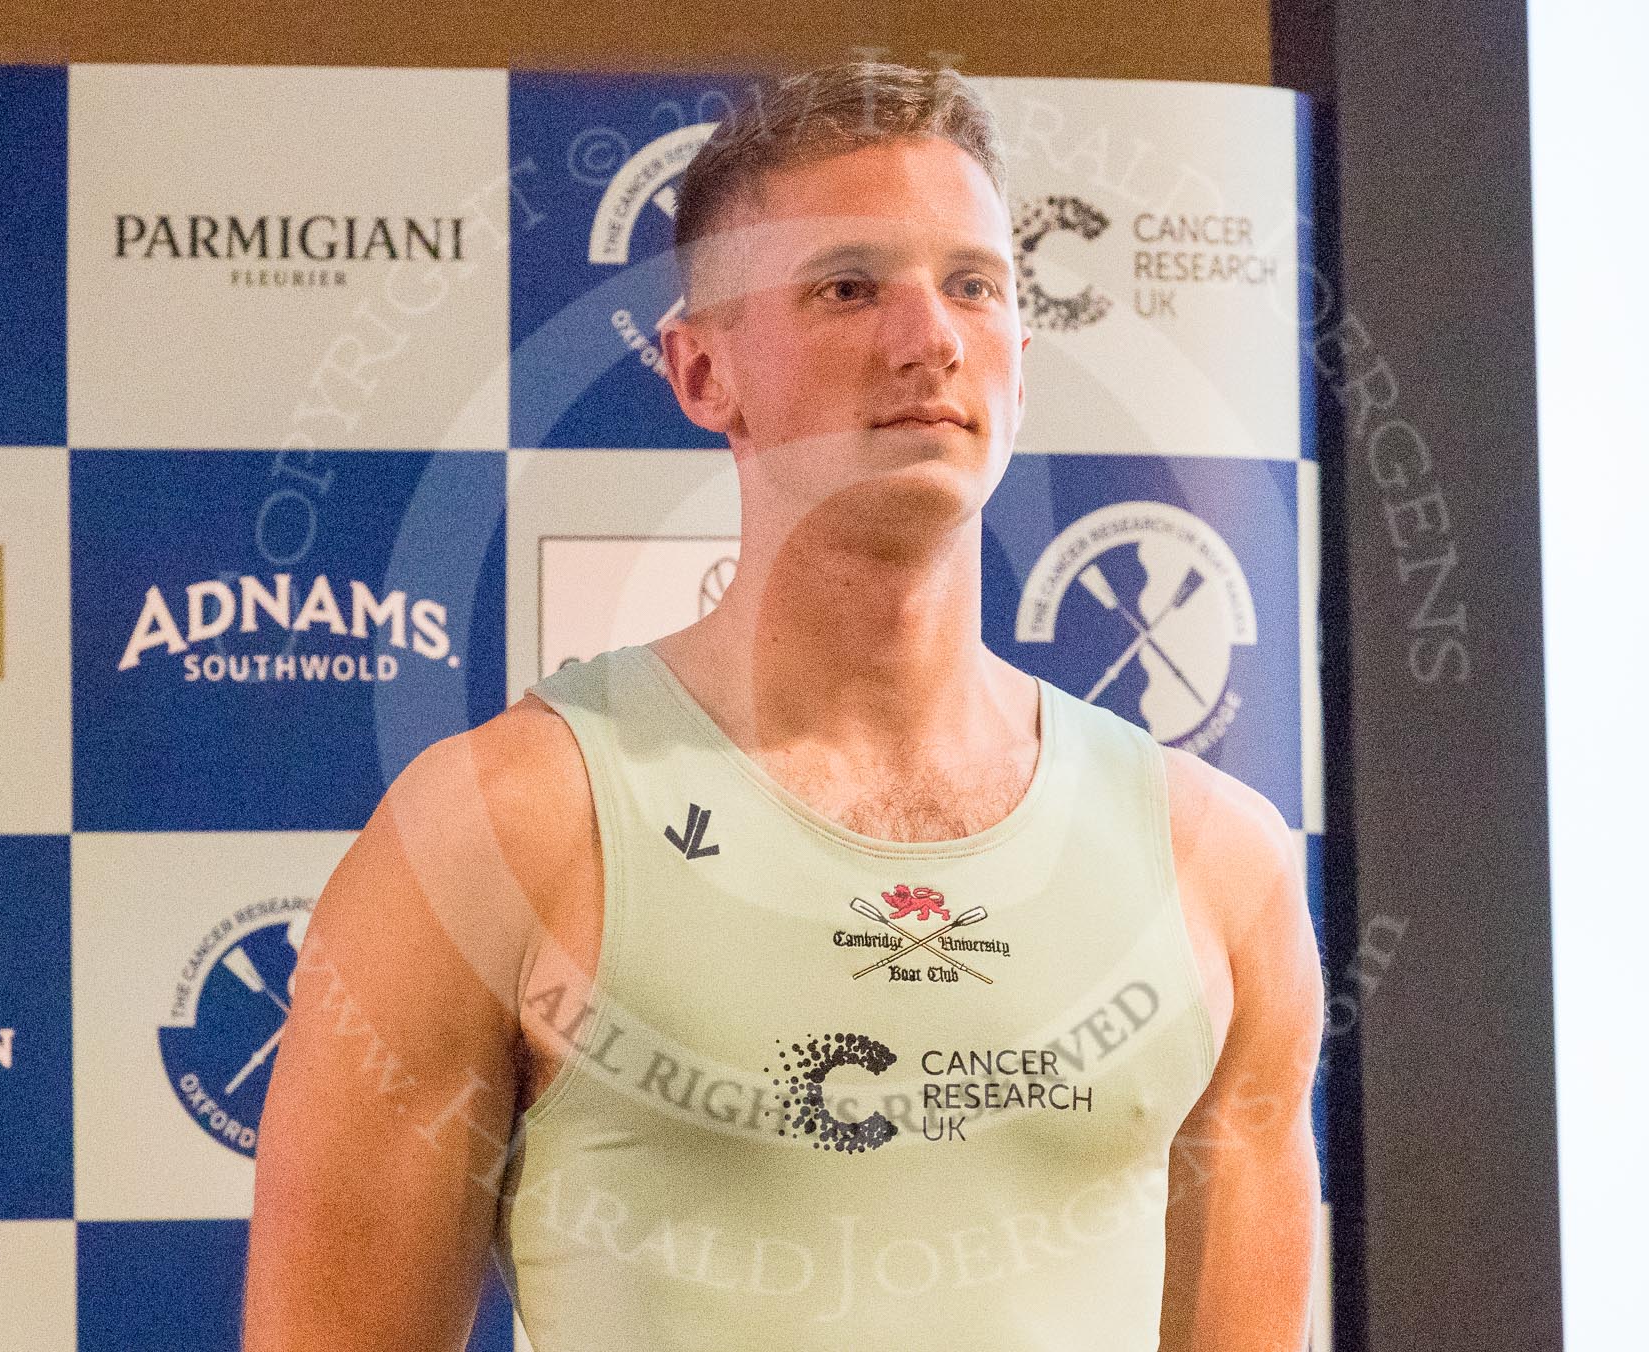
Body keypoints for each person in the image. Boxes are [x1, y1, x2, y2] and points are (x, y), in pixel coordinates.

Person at [244, 59, 1323, 1350]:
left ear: (1021, 363)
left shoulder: (1217, 857)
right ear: (704, 373)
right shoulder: (500, 825)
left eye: (974, 285)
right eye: (848, 287)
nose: (930, 339)